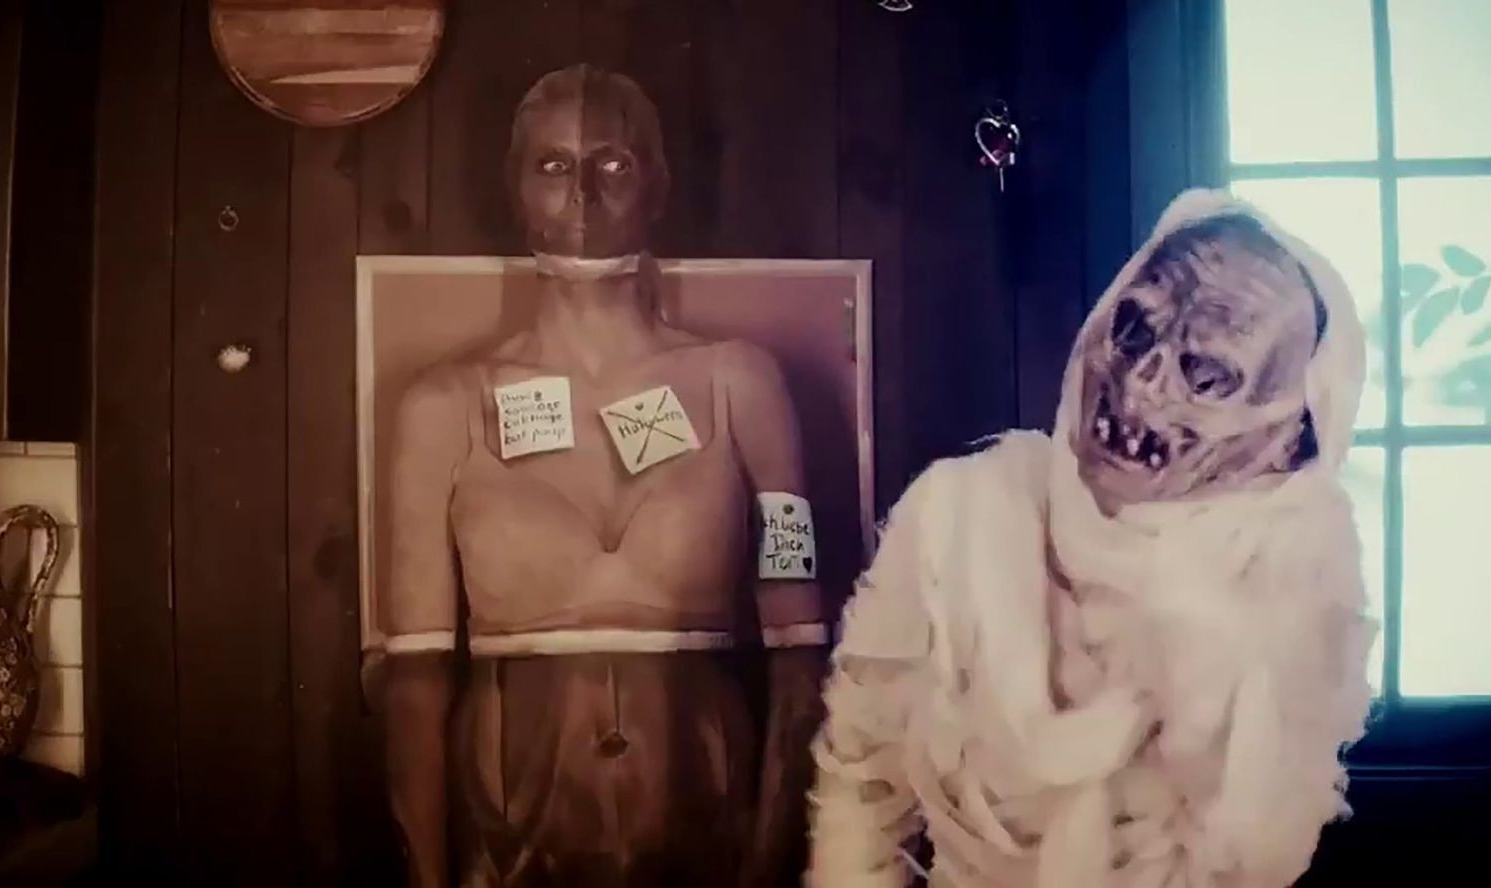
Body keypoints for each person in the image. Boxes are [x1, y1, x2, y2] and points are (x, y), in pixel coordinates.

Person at [808, 189, 1375, 887]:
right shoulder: (958, 514)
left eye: (1206, 373)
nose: (1140, 382)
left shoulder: (1299, 585)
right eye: (1134, 329)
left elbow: (1254, 859)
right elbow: (860, 788)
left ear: (1290, 437)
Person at [382, 65, 828, 887]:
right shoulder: (445, 405)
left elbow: (800, 653)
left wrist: (768, 870)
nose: (582, 193)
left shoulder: (740, 385)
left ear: (658, 183)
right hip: (509, 842)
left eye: (613, 163)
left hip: (708, 833)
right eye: (553, 165)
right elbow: (414, 681)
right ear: (515, 183)